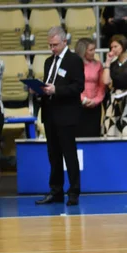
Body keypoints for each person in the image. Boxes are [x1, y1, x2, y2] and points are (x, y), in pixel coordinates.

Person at [35, 26, 84, 206]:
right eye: (50, 45)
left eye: (55, 45)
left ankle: (74, 192)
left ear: (65, 42)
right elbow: (49, 84)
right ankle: (56, 191)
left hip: (66, 114)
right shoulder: (49, 61)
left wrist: (57, 90)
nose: (52, 48)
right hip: (49, 113)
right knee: (53, 155)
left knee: (69, 154)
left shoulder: (74, 60)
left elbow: (79, 86)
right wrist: (40, 89)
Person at [74, 38, 105, 138]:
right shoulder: (74, 65)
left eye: (94, 49)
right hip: (78, 106)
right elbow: (72, 85)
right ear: (83, 51)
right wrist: (83, 99)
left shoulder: (98, 65)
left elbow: (101, 86)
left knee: (93, 134)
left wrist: (96, 101)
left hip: (94, 107)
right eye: (91, 50)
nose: (94, 52)